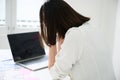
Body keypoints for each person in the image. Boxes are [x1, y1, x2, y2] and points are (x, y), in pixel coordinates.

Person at [39, 0, 108, 80]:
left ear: (53, 23)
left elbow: (55, 74)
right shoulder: (90, 28)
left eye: (46, 23)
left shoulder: (75, 35)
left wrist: (52, 41)